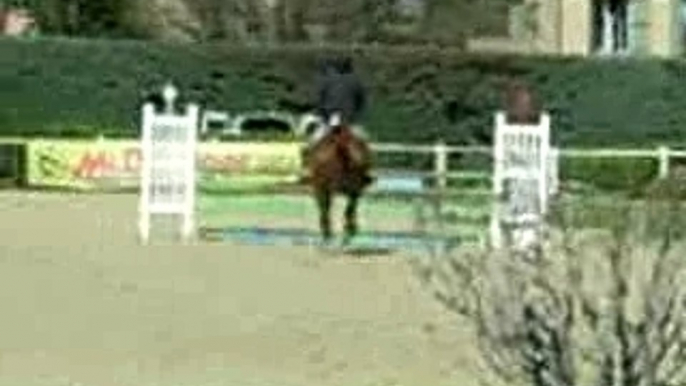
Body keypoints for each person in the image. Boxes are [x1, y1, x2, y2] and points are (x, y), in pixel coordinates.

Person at [300, 56, 370, 180]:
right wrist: (357, 115)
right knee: (364, 144)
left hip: (329, 120)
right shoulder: (357, 81)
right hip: (350, 121)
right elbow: (362, 102)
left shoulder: (327, 80)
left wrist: (321, 114)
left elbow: (319, 101)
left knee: (310, 144)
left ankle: (306, 170)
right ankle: (365, 172)